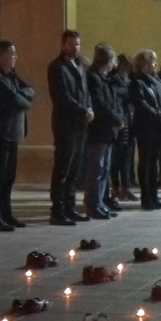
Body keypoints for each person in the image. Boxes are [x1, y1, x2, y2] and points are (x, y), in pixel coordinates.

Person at [0, 40, 36, 231]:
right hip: (1, 132)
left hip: (14, 132)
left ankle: (6, 212)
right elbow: (14, 100)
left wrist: (21, 96)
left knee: (9, 176)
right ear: (1, 56)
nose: (15, 57)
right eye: (12, 54)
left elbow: (30, 90)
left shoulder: (10, 74)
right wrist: (22, 98)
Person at [47, 30, 93, 225]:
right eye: (71, 44)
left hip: (80, 124)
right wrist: (83, 110)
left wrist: (89, 107)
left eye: (77, 44)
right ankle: (58, 210)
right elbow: (62, 96)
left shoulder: (80, 65)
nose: (75, 48)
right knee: (63, 168)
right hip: (65, 123)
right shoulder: (57, 67)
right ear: (63, 44)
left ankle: (70, 206)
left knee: (75, 168)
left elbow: (85, 91)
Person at [127, 49, 161, 211]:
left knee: (154, 163)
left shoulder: (158, 81)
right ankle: (146, 197)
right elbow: (141, 104)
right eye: (152, 62)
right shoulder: (137, 83)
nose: (155, 64)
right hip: (145, 127)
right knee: (146, 162)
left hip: (158, 128)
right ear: (144, 65)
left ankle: (154, 195)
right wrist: (159, 115)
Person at [82, 44, 122, 219]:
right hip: (98, 130)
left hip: (107, 130)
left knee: (104, 168)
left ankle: (100, 202)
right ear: (109, 60)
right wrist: (116, 119)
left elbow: (114, 102)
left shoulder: (105, 79)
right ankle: (93, 204)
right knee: (96, 169)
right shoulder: (94, 78)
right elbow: (100, 104)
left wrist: (118, 119)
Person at [111, 53, 137, 203]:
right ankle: (116, 188)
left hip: (128, 120)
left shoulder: (127, 81)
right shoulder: (114, 81)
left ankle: (126, 187)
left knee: (127, 157)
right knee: (117, 158)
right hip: (119, 121)